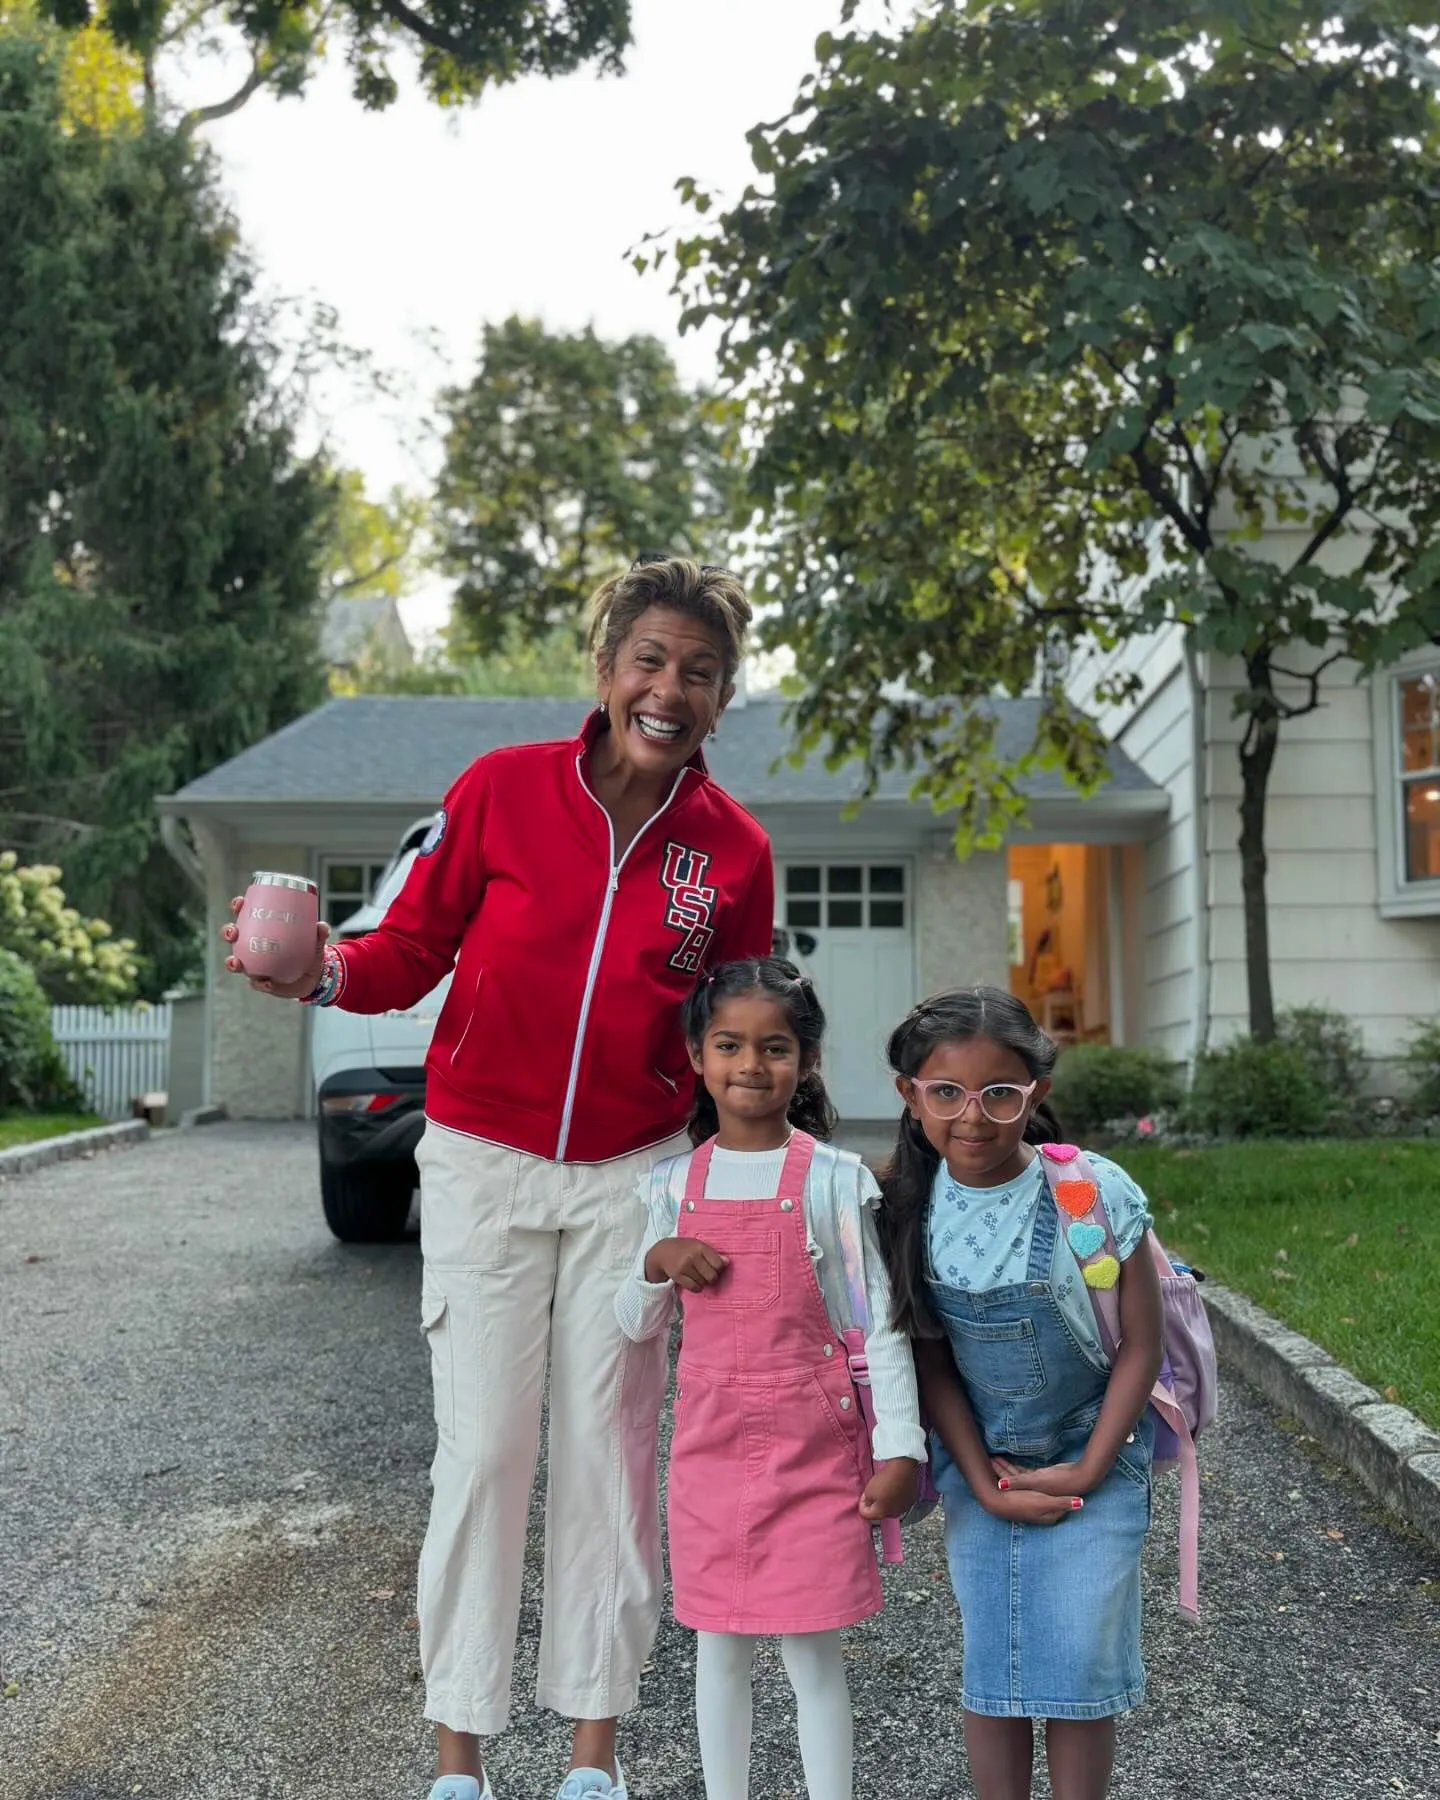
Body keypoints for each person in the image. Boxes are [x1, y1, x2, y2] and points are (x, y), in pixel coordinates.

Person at [222, 557, 776, 1800]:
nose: (669, 689)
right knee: (483, 1457)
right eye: (650, 661)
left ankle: (592, 1760)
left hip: (634, 1176)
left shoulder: (734, 851)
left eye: (699, 672)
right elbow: (409, 950)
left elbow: (738, 1025)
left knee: (608, 1462)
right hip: (482, 1163)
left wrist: (756, 1172)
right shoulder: (503, 790)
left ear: (722, 697)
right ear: (606, 669)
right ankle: (459, 1760)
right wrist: (318, 972)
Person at [614, 958, 925, 1800]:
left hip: (815, 1447)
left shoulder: (833, 1180)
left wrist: (901, 1447)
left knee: (812, 1652)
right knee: (718, 1647)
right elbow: (633, 1325)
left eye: (775, 1047)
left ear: (807, 1060)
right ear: (697, 1056)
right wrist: (654, 1261)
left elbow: (881, 1323)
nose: (751, 1064)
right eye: (729, 1045)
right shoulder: (670, 1186)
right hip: (710, 1450)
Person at [876, 986, 1164, 1800]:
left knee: (1080, 1667)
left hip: (1096, 1459)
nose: (973, 1117)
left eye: (999, 1093)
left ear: (1035, 1093)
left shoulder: (1091, 1193)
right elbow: (931, 1362)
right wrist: (979, 1481)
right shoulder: (907, 1208)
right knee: (995, 1669)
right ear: (910, 1094)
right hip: (985, 1467)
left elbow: (1143, 1346)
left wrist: (1089, 1468)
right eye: (947, 1093)